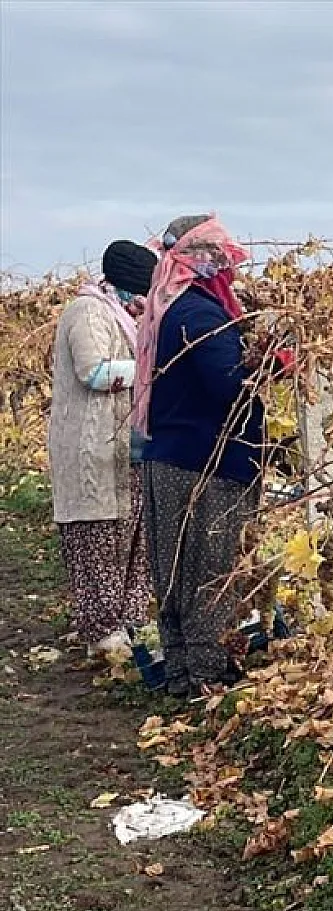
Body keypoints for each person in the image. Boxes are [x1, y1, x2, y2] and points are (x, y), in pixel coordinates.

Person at [134, 215, 265, 696]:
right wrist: (273, 365)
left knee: (173, 571)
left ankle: (180, 673)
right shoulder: (203, 315)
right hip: (205, 464)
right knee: (210, 570)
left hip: (169, 456)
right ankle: (204, 677)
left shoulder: (171, 307)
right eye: (225, 258)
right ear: (205, 260)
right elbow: (229, 385)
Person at [48, 240, 158, 656]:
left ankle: (129, 625)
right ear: (124, 287)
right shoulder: (88, 312)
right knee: (97, 537)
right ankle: (102, 632)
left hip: (125, 448)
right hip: (90, 448)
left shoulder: (125, 317)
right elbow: (94, 371)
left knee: (130, 537)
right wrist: (155, 367)